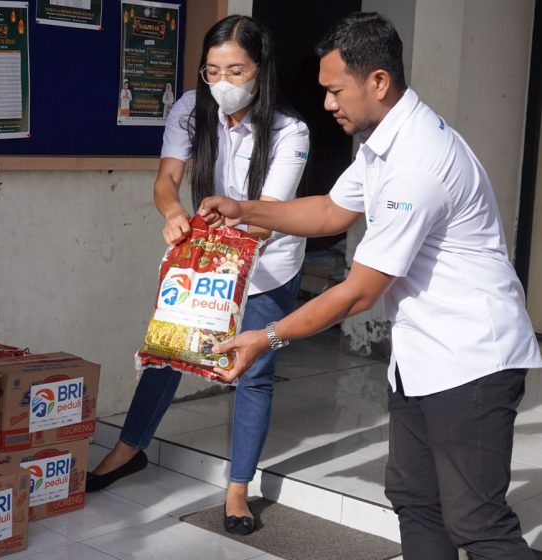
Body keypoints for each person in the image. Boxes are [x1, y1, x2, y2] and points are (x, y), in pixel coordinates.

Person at [198, 12, 542, 558]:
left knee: (478, 524)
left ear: (378, 81)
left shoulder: (418, 162)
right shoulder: (384, 141)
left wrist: (266, 338)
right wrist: (244, 209)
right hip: (422, 356)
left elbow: (360, 292)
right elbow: (332, 211)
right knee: (413, 498)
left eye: (335, 90)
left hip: (473, 359)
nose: (328, 103)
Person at [88, 15, 309, 536]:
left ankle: (238, 488)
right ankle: (128, 449)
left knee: (252, 373)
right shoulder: (190, 108)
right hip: (206, 258)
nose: (223, 84)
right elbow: (167, 179)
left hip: (267, 264)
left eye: (236, 71)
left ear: (261, 69)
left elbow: (272, 212)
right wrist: (173, 214)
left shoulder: (289, 129)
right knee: (170, 347)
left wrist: (234, 212)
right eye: (212, 71)